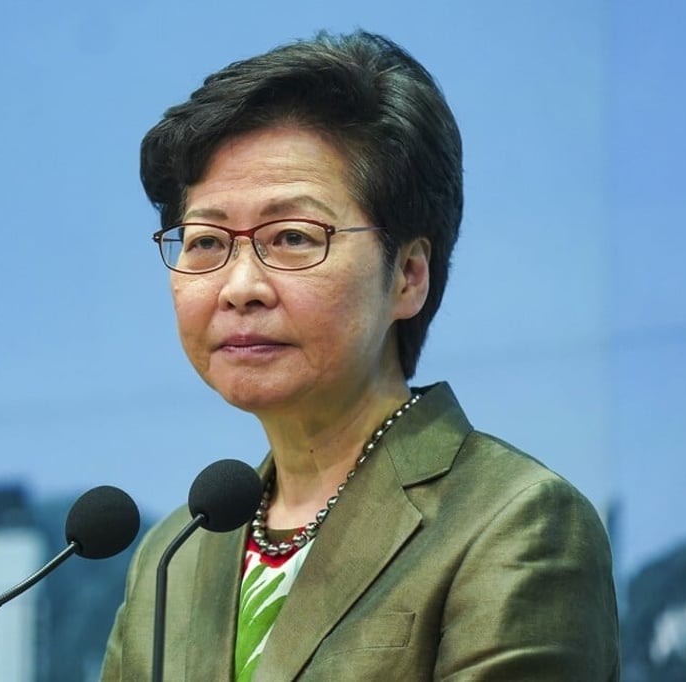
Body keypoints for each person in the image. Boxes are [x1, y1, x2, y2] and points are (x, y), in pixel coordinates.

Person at [101, 30, 620, 681]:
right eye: (206, 242)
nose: (240, 288)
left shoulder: (515, 521)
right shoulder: (173, 553)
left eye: (291, 237)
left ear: (408, 274)